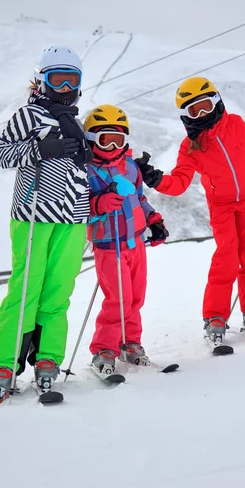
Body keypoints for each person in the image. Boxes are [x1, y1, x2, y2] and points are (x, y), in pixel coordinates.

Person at [135, 77, 245, 346]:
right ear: (186, 116)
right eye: (194, 111)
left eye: (205, 106)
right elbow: (179, 183)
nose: (202, 114)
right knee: (227, 257)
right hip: (221, 206)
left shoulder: (237, 125)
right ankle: (215, 317)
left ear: (217, 101)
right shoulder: (191, 147)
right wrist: (155, 178)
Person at [0, 45, 92, 401]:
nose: (64, 87)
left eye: (71, 79)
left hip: (73, 216)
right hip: (33, 214)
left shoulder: (76, 122)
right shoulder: (28, 115)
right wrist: (37, 148)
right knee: (25, 287)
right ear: (40, 81)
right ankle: (4, 363)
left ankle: (48, 359)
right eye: (56, 79)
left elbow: (80, 169)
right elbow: (1, 153)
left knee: (58, 290)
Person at [83, 104, 169, 373]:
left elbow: (139, 198)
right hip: (109, 246)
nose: (112, 147)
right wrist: (98, 204)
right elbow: (77, 207)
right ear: (90, 139)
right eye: (105, 140)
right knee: (117, 300)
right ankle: (103, 349)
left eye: (118, 140)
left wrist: (153, 219)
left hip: (136, 244)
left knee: (135, 299)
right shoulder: (85, 171)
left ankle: (130, 343)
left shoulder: (130, 167)